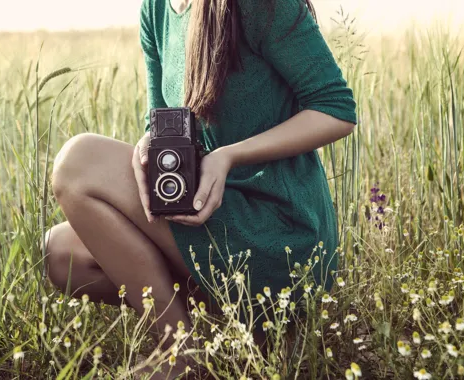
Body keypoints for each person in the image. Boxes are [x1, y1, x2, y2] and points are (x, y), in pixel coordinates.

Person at [45, 0, 357, 377]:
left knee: (78, 161)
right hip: (207, 212)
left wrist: (228, 157)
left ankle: (179, 355)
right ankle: (240, 335)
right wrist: (150, 144)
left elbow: (336, 109)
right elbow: (163, 120)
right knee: (61, 253)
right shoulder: (156, 9)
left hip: (280, 227)